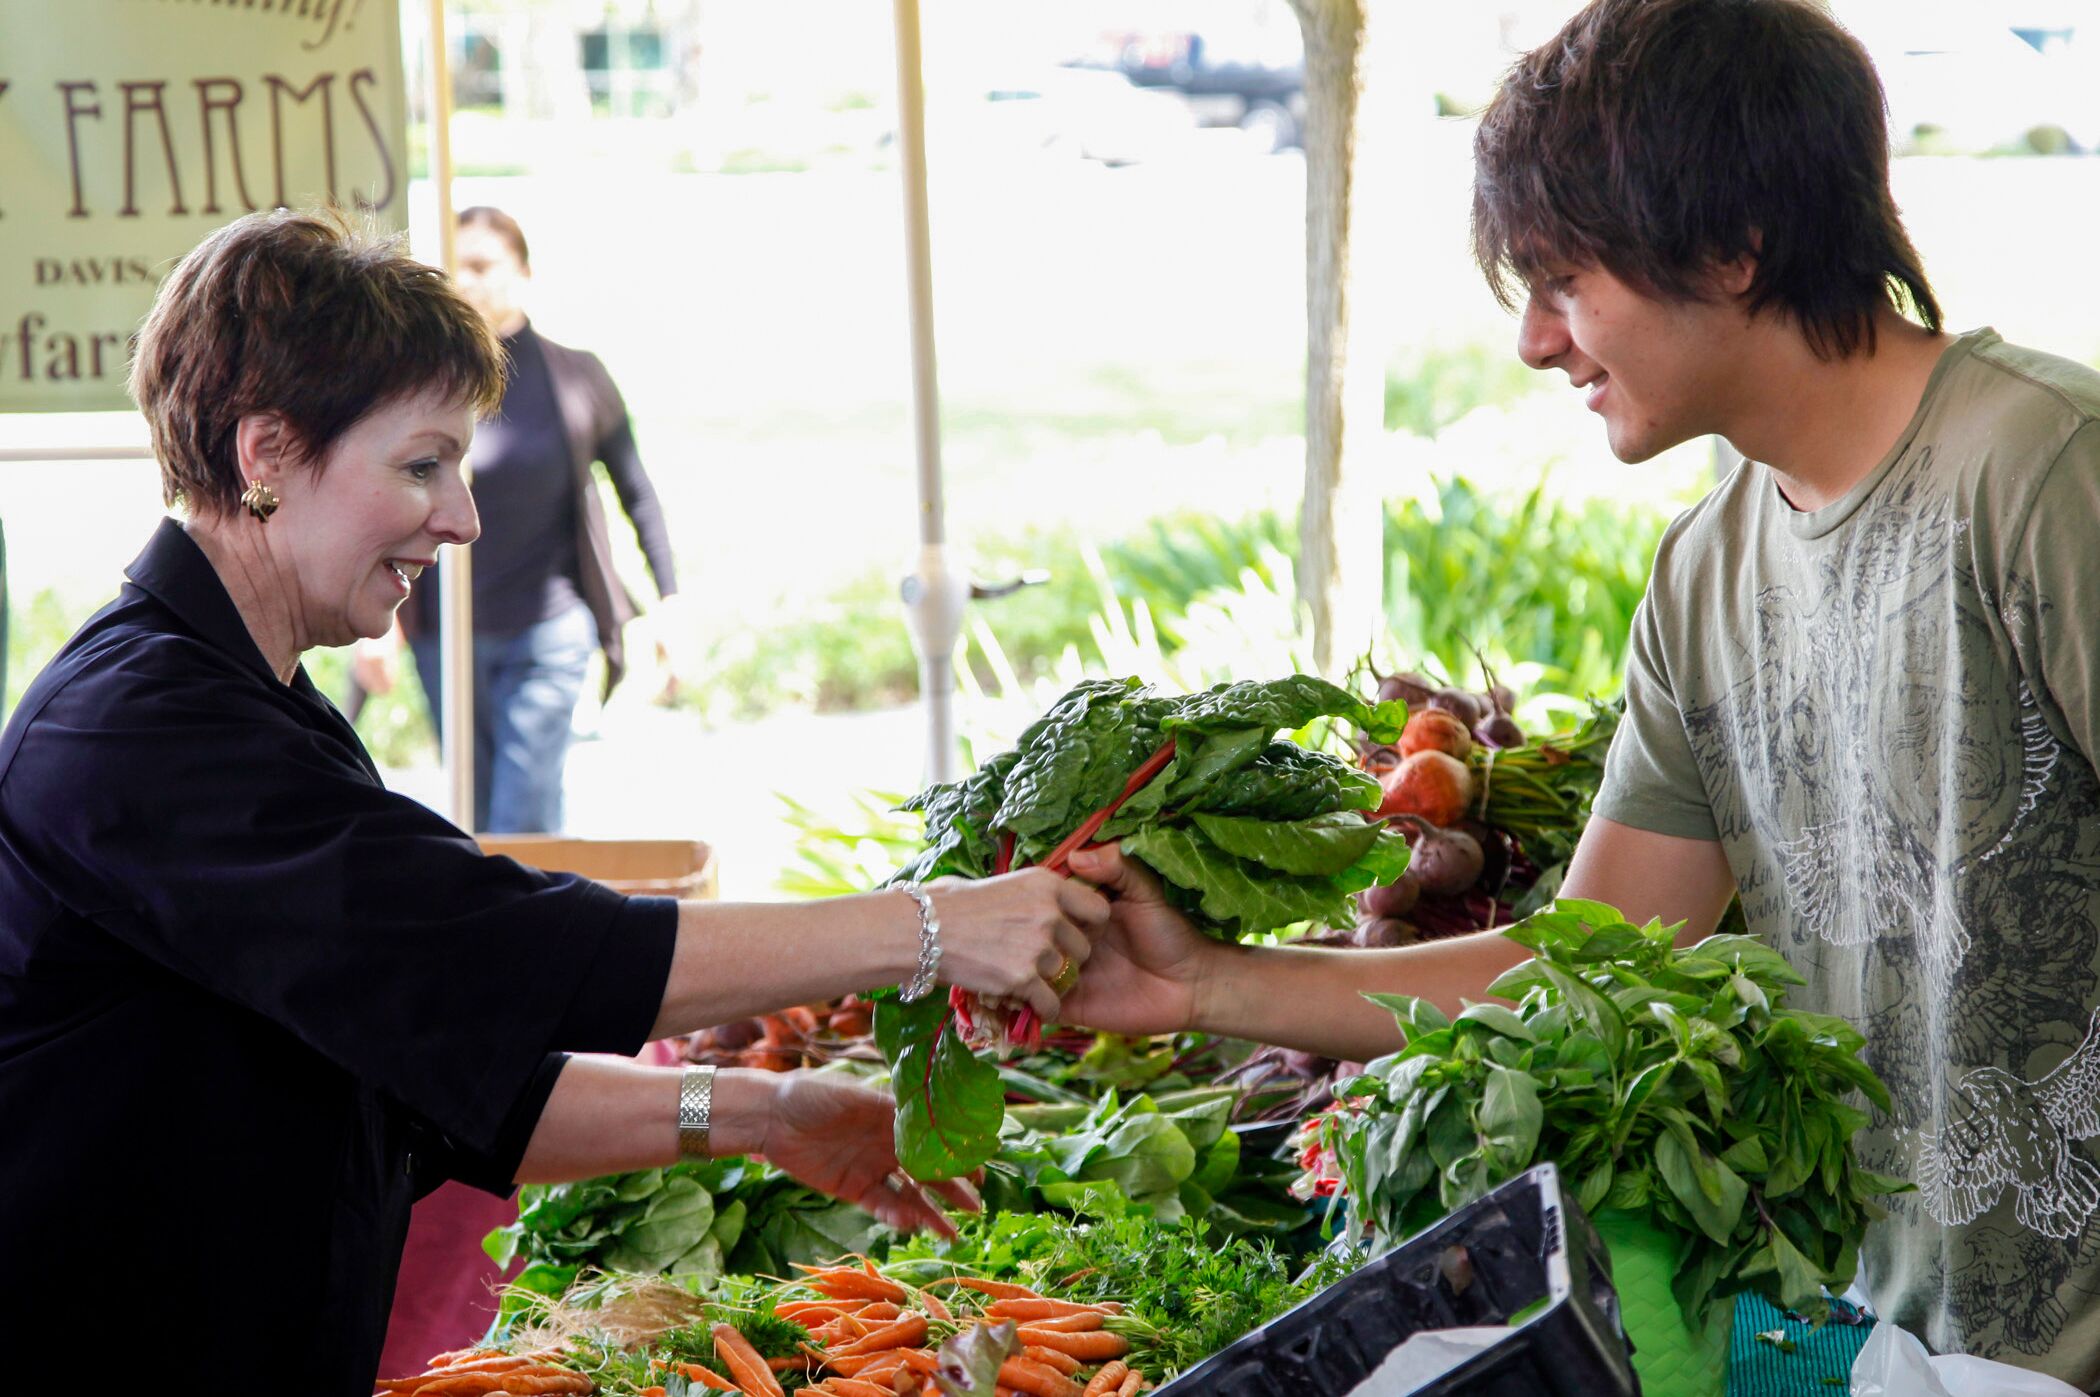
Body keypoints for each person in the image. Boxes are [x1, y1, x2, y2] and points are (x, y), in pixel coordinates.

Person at [1057, 0, 2100, 1387]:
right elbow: (1578, 970)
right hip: (1901, 1350)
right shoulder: (1707, 572)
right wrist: (1207, 984)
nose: (1535, 343)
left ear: (1734, 247)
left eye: (1564, 281)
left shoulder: (2039, 471)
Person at [0, 209, 1108, 1390]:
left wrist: (768, 1111)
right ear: (266, 451)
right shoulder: (135, 727)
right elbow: (515, 955)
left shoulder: (248, 702)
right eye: (422, 464)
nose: (462, 516)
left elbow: (438, 1078)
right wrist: (932, 929)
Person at [368, 204, 680, 833]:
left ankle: (540, 925)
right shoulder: (420, 388)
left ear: (525, 274)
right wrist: (383, 626)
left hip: (548, 633)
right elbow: (382, 503)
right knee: (473, 817)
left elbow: (636, 492)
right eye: (454, 267)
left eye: (484, 265)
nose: (467, 281)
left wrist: (670, 601)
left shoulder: (576, 377)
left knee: (524, 820)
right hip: (444, 637)